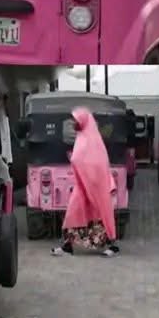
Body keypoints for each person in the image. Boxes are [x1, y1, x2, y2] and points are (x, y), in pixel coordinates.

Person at [51, 108, 119, 257]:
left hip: (96, 186)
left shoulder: (93, 140)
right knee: (73, 213)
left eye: (76, 120)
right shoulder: (82, 137)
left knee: (103, 214)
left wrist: (90, 178)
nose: (74, 123)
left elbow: (99, 163)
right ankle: (67, 246)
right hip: (82, 185)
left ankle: (113, 245)